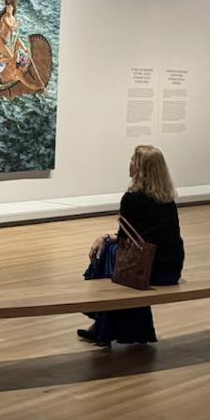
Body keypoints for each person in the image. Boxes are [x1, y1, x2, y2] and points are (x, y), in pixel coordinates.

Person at [80, 145, 185, 346]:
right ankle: (114, 328)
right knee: (110, 253)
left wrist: (104, 237)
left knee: (105, 254)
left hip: (149, 271)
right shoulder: (167, 199)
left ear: (141, 168)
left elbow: (125, 239)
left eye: (132, 161)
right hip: (172, 270)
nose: (129, 164)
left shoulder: (132, 199)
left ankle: (102, 325)